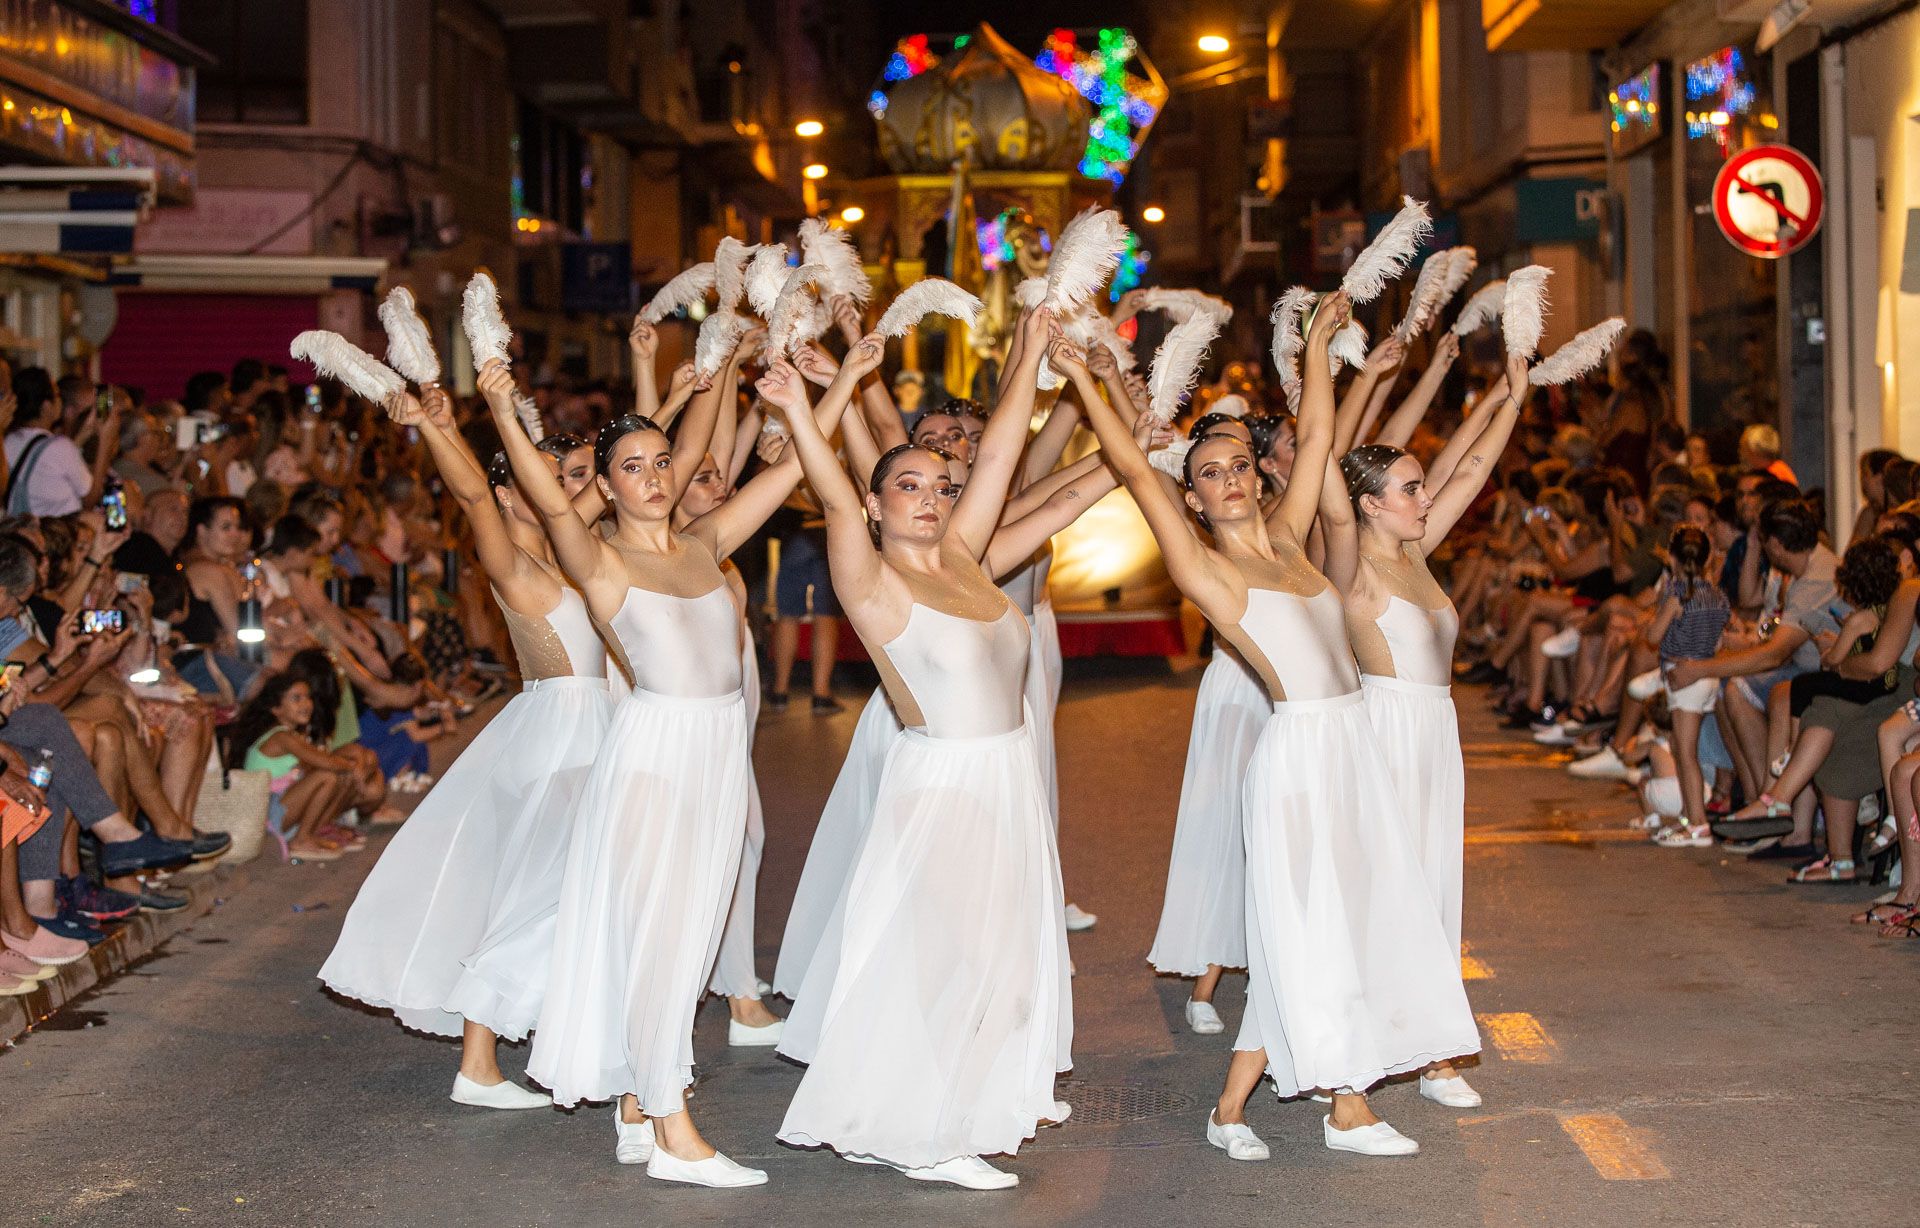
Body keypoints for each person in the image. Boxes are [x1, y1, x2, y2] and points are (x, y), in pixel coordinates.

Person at [1073, 293, 1480, 1159]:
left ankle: (1228, 1110)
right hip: (1298, 756)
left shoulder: (1293, 541)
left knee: (1353, 918)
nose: (1227, 480)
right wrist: (1090, 389)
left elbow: (1320, 442)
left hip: (1356, 744)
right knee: (1313, 927)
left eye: (1237, 466)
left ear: (1258, 475)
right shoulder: (1210, 572)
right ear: (1196, 494)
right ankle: (1347, 1107)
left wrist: (1321, 351)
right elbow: (1139, 476)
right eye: (1209, 472)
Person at [513, 329, 855, 1187]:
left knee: (694, 928)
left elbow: (793, 475)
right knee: (663, 934)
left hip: (717, 753)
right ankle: (673, 1128)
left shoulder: (704, 544)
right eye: (632, 465)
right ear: (606, 482)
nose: (655, 476)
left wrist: (832, 388)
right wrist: (490, 400)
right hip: (657, 753)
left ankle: (636, 1101)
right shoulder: (600, 561)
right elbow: (552, 507)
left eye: (662, 460)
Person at [775, 312, 1071, 1191]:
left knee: (998, 955)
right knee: (951, 954)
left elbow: (1006, 448)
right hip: (942, 783)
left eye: (941, 485)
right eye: (909, 485)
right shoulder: (873, 579)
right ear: (876, 504)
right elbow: (831, 497)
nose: (932, 496)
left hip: (1008, 776)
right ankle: (932, 1134)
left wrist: (1031, 352)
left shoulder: (968, 559)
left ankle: (915, 1111)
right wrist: (804, 406)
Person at [320, 378, 617, 1111]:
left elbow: (624, 472)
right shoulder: (512, 557)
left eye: (570, 481)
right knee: (537, 896)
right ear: (514, 495)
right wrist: (435, 426)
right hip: (559, 736)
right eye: (548, 481)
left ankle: (490, 1059)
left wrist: (676, 391)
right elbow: (476, 496)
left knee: (548, 892)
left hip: (591, 727)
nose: (566, 492)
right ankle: (482, 1062)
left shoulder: (562, 549)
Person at [1319, 340, 1526, 1110]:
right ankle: (1364, 1051)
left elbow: (1469, 472)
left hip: (1436, 733)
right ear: (1369, 504)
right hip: (1387, 735)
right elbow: (1325, 474)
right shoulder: (1353, 571)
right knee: (1388, 893)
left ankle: (1435, 1052)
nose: (1426, 495)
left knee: (1436, 886)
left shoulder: (1418, 550)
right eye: (1409, 487)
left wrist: (1511, 397)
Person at [1641, 526, 1731, 848]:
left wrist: (1655, 622)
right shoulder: (1717, 595)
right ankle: (1691, 816)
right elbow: (1721, 640)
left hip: (1683, 677)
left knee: (1685, 752)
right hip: (1708, 675)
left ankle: (1697, 824)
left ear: (1673, 558)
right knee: (1687, 749)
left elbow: (1652, 637)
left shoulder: (1677, 595)